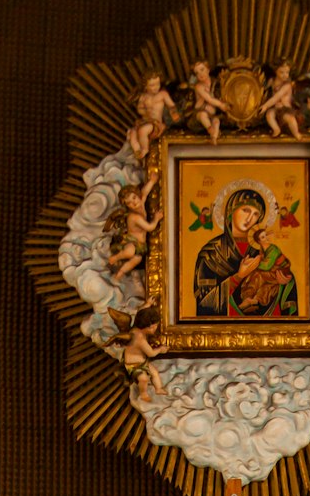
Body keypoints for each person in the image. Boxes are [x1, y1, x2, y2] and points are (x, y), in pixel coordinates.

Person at [193, 186, 298, 318]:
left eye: (256, 214)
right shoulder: (211, 253)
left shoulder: (261, 248)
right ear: (231, 211)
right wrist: (239, 276)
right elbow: (204, 304)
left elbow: (279, 271)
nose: (250, 218)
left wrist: (285, 278)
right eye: (246, 210)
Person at [127, 72, 180, 161]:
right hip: (145, 121)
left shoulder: (162, 94)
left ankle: (145, 149)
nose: (156, 87)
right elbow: (139, 108)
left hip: (156, 123)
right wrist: (143, 110)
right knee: (132, 133)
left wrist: (174, 113)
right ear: (145, 86)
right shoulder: (143, 97)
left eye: (158, 84)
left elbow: (171, 105)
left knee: (143, 131)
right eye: (152, 85)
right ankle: (137, 151)